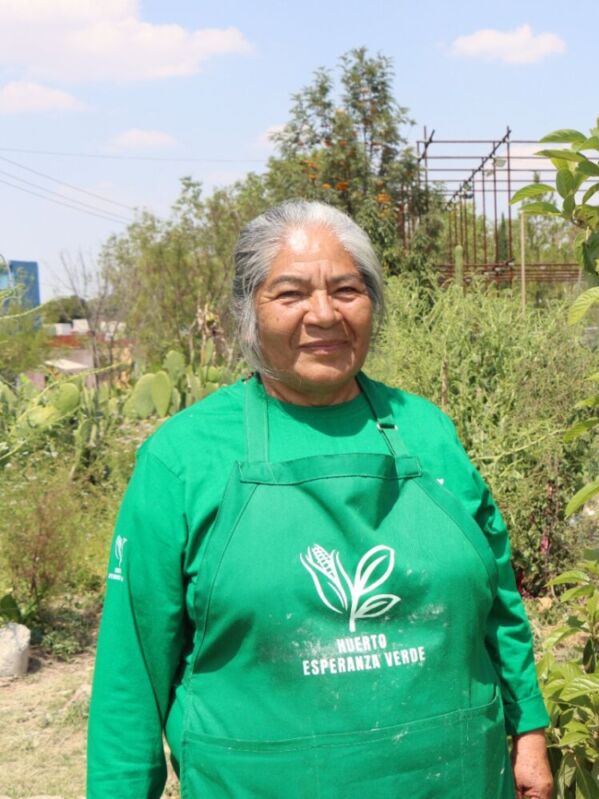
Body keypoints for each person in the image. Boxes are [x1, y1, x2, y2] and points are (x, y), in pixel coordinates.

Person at [87, 200, 554, 798]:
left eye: (346, 290)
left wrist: (530, 731)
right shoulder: (182, 459)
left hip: (456, 780)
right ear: (248, 311)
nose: (325, 314)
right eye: (291, 294)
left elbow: (498, 599)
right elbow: (131, 673)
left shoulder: (428, 432)